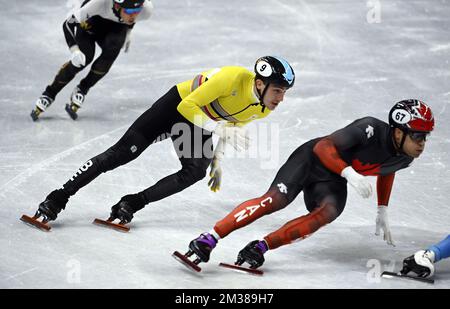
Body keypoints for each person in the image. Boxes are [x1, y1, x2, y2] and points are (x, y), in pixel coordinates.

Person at [29, 56, 295, 227]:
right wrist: (221, 130)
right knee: (120, 154)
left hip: (198, 122)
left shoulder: (263, 108)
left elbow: (228, 124)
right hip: (176, 106)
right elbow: (189, 107)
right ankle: (58, 197)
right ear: (260, 84)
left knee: (194, 172)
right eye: (278, 91)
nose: (280, 99)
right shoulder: (231, 77)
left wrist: (220, 146)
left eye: (284, 93)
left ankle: (131, 202)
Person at [185, 99, 435, 269]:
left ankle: (260, 247)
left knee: (328, 213)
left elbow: (387, 170)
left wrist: (383, 208)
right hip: (311, 160)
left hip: (334, 178)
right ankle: (209, 238)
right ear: (399, 132)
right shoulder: (369, 127)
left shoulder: (405, 157)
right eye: (417, 136)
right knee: (275, 200)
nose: (422, 143)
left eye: (425, 137)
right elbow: (323, 146)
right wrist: (349, 173)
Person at [30, 0, 153, 121]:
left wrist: (129, 31)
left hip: (115, 28)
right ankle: (49, 93)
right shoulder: (98, 3)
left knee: (112, 50)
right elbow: (68, 24)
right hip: (90, 26)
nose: (134, 15)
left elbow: (133, 17)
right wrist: (74, 50)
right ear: (116, 5)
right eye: (130, 10)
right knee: (83, 58)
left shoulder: (146, 9)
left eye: (137, 10)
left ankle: (82, 89)